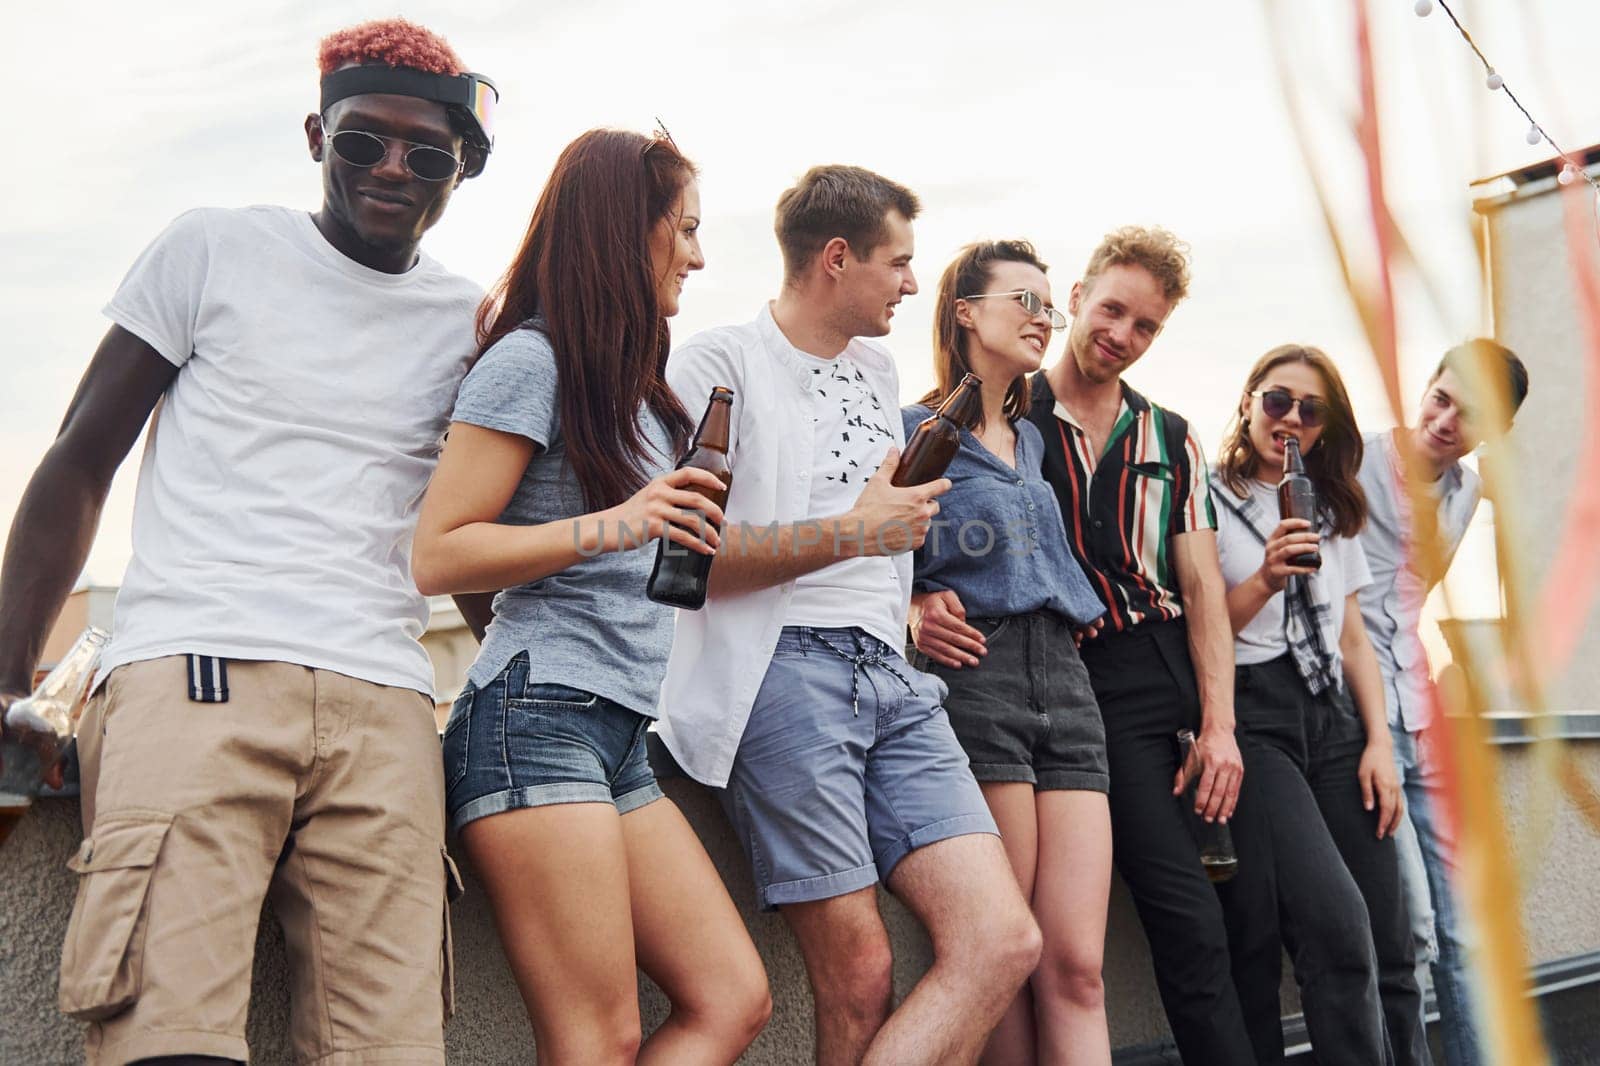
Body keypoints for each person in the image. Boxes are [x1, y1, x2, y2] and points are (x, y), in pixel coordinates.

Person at [0, 19, 496, 1065]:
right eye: (363, 141)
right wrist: (4, 676)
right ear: (318, 135)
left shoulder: (470, 323)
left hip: (387, 701)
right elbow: (80, 459)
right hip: (197, 670)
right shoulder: (212, 247)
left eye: (427, 151)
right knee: (166, 1040)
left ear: (461, 168)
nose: (392, 167)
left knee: (390, 1052)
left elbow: (479, 534)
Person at [656, 165, 1042, 1066]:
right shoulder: (716, 363)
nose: (915, 284)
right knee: (860, 977)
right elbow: (687, 564)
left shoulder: (879, 368)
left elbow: (882, 532)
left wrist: (903, 583)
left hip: (895, 677)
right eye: (899, 262)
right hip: (780, 670)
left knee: (1003, 941)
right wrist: (859, 532)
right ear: (837, 258)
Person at [409, 128, 770, 1066]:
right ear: (625, 230)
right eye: (684, 229)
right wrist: (620, 521)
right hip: (536, 721)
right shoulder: (531, 362)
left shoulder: (644, 398)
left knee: (733, 998)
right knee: (597, 1040)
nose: (698, 253)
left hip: (618, 734)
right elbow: (441, 554)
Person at [904, 240, 1113, 1066]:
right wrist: (915, 604)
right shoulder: (914, 432)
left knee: (1079, 966)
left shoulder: (1031, 441)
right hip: (978, 678)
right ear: (965, 311)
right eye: (1024, 300)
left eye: (1047, 304)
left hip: (1067, 683)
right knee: (1007, 955)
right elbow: (875, 557)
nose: (1043, 318)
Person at [1208, 343, 1426, 1065]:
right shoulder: (1207, 496)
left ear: (1327, 426)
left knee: (1393, 943)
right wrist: (1267, 576)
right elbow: (1201, 632)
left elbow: (1354, 637)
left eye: (1311, 408)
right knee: (1336, 930)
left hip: (1332, 711)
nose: (1291, 418)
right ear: (1249, 402)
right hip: (1256, 714)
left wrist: (1378, 744)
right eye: (1277, 400)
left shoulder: (1331, 505)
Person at [1357, 338, 1530, 1066]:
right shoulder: (1350, 457)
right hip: (1350, 711)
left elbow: (1413, 602)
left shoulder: (1467, 493)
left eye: (1470, 414)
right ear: (1425, 388)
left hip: (1423, 718)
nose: (1446, 420)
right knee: (1408, 928)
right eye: (1441, 397)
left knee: (1471, 926)